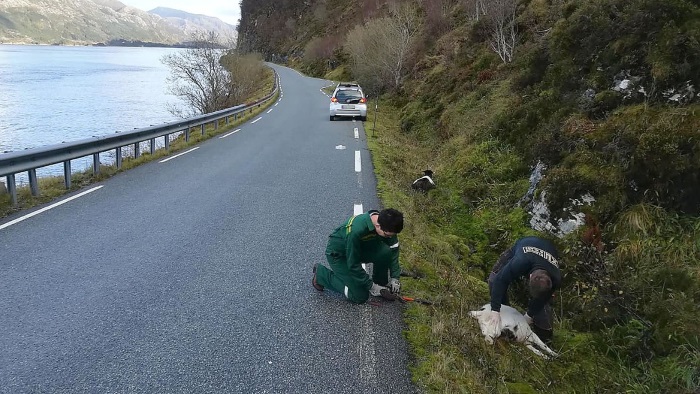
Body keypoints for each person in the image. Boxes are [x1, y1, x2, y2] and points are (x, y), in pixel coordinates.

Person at [312, 208, 404, 304]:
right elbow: (353, 264)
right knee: (360, 296)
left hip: (359, 249)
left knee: (385, 252)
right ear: (378, 225)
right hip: (340, 256)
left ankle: (380, 283)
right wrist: (371, 286)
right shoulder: (355, 230)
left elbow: (393, 249)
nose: (390, 237)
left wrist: (395, 278)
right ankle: (321, 275)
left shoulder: (388, 223)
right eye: (387, 235)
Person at [485, 236, 561, 342]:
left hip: (546, 252)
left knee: (542, 306)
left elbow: (543, 300)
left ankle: (544, 337)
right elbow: (500, 280)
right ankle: (505, 312)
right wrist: (495, 310)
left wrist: (527, 317)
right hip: (525, 245)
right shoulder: (519, 262)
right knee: (494, 280)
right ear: (529, 277)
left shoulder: (556, 278)